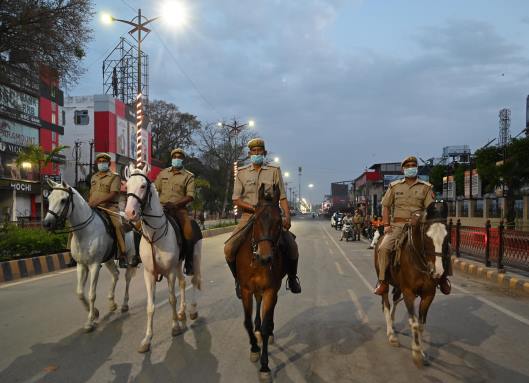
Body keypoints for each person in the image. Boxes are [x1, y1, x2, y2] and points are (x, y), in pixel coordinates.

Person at [224, 138, 301, 298]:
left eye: (259, 151)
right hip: (249, 216)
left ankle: (292, 279)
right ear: (249, 154)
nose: (256, 154)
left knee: (292, 246)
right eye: (254, 151)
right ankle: (238, 280)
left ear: (264, 153)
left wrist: (287, 216)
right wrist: (255, 209)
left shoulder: (274, 170)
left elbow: (283, 198)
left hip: (270, 218)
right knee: (229, 249)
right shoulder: (242, 173)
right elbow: (236, 199)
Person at [374, 156, 451, 296]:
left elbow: (431, 208)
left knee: (446, 246)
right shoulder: (394, 186)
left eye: (413, 165)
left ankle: (443, 279)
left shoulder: (426, 187)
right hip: (397, 225)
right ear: (403, 169)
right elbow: (385, 206)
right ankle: (383, 282)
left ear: (417, 168)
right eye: (408, 166)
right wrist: (386, 225)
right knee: (383, 247)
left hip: (419, 226)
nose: (411, 168)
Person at [89, 153, 138, 268]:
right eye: (100, 161)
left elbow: (113, 193)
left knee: (118, 226)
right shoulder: (94, 177)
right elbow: (92, 192)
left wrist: (98, 201)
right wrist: (90, 202)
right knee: (77, 219)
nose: (101, 163)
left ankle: (123, 255)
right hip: (93, 206)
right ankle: (72, 253)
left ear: (108, 163)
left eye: (104, 161)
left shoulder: (114, 176)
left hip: (109, 207)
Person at [154, 148, 196, 275]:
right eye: (174, 157)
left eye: (179, 157)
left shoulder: (188, 176)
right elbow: (155, 190)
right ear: (172, 159)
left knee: (189, 232)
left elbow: (190, 196)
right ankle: (138, 256)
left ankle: (189, 263)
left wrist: (175, 204)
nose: (176, 159)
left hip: (179, 210)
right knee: (140, 226)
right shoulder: (163, 173)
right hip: (161, 209)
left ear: (182, 160)